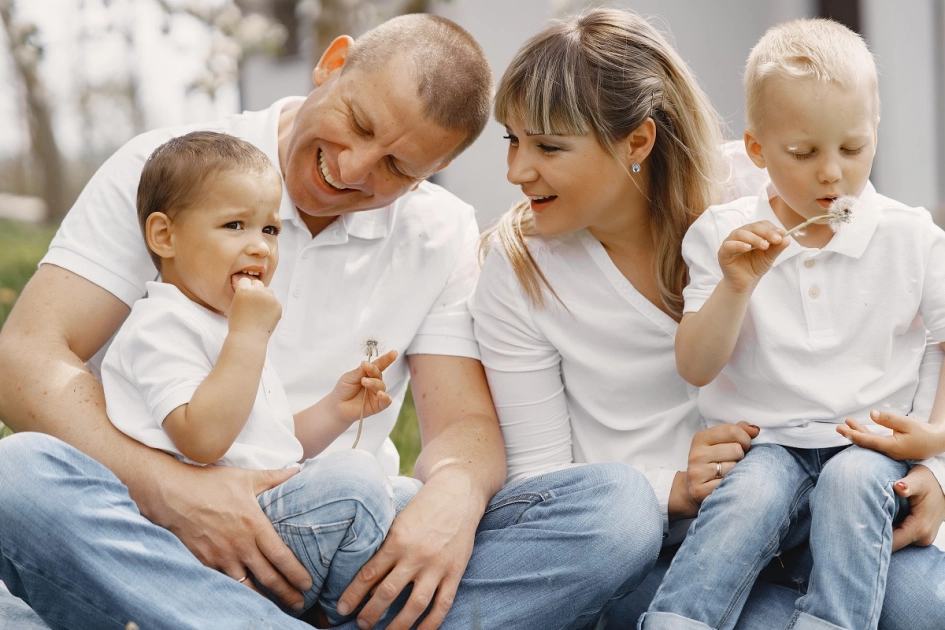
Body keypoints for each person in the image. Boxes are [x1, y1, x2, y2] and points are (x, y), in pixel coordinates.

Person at [0, 13, 657, 630]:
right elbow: (27, 356)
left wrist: (453, 498)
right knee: (18, 477)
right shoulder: (174, 171)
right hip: (161, 533)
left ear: (438, 170)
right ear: (332, 63)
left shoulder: (439, 231)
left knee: (617, 513)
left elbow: (462, 426)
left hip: (346, 533)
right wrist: (172, 491)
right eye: (359, 124)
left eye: (397, 167)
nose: (350, 170)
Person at [467, 7, 945, 630]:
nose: (516, 171)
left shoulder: (762, 181)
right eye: (512, 139)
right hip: (670, 536)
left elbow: (918, 334)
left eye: (549, 146)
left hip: (826, 484)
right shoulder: (520, 267)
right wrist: (674, 486)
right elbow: (547, 487)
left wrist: (934, 471)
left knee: (925, 605)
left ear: (637, 142)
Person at [640, 18, 945, 630]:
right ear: (756, 150)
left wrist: (936, 443)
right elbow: (696, 366)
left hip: (867, 444)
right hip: (767, 444)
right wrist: (736, 285)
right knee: (746, 499)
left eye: (852, 149)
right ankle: (680, 618)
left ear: (875, 133)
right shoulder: (723, 235)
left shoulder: (909, 238)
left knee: (852, 484)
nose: (831, 174)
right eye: (803, 154)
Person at [103, 130, 400, 624]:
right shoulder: (162, 325)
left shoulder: (226, 323)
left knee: (403, 494)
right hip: (215, 548)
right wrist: (248, 337)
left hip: (271, 511)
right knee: (358, 483)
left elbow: (274, 448)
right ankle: (333, 616)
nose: (260, 248)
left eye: (270, 230)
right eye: (235, 225)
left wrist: (335, 410)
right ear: (165, 236)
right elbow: (201, 440)